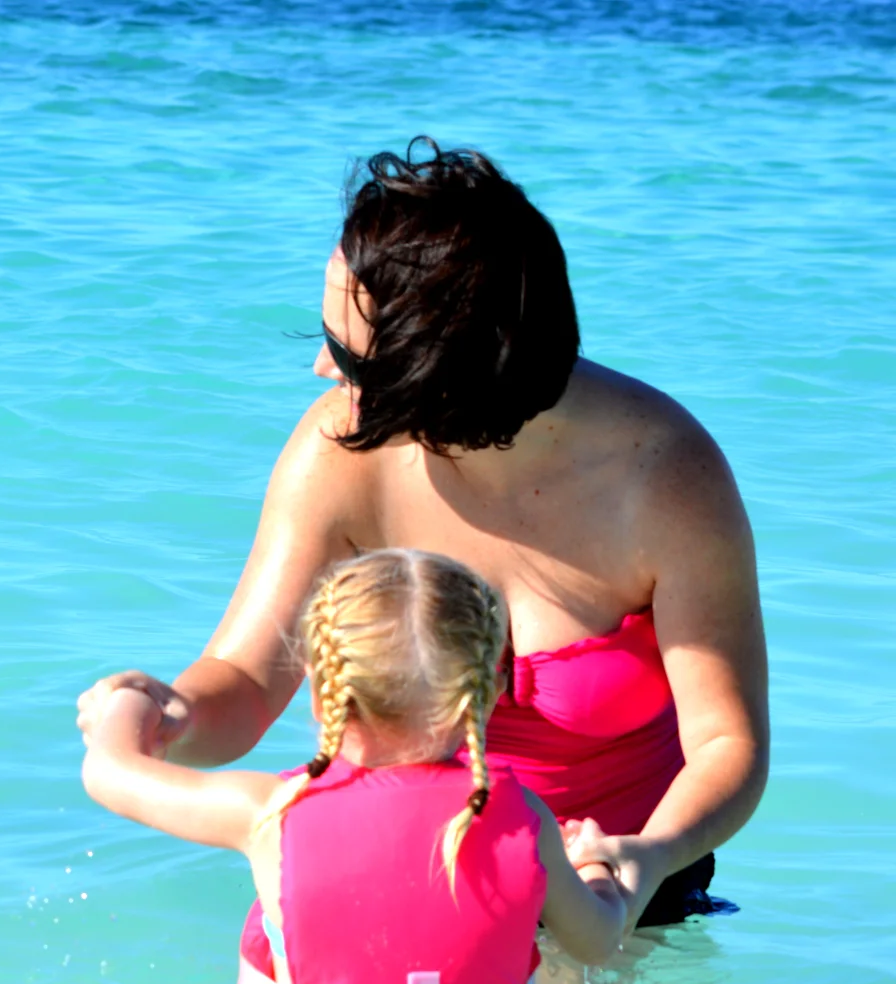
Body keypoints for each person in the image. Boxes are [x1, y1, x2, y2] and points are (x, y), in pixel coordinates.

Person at [76, 139, 767, 927]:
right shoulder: (341, 452)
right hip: (411, 879)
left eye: (348, 354)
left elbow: (728, 744)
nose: (321, 369)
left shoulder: (665, 478)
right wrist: (174, 713)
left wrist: (643, 856)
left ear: (439, 378)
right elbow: (245, 678)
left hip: (628, 890)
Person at [83, 550, 630, 984]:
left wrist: (132, 701)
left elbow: (109, 772)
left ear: (321, 693)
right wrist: (595, 866)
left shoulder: (271, 815)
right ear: (487, 695)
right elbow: (599, 940)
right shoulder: (525, 821)